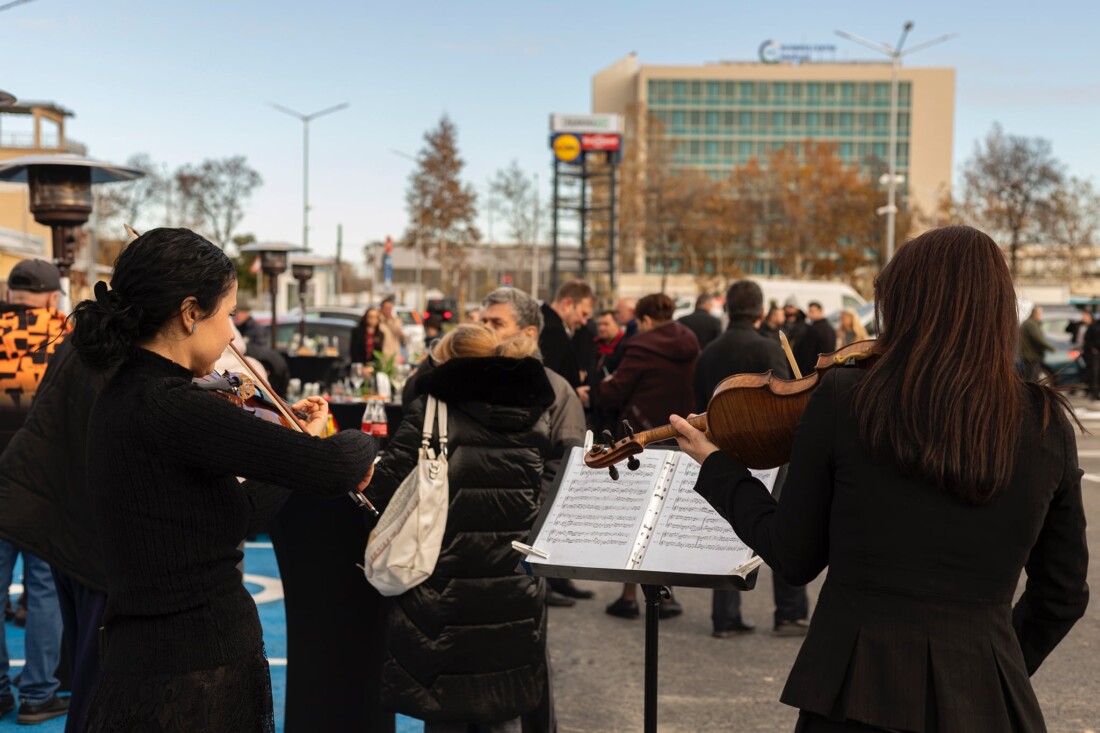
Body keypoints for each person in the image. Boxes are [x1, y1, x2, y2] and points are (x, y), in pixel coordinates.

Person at [671, 225, 1089, 732]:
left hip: (852, 692)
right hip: (986, 701)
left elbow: (793, 555)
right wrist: (995, 667)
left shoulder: (847, 397)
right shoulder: (1046, 424)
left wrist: (718, 468)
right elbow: (1063, 593)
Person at [69, 227, 378, 732]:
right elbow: (336, 468)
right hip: (192, 667)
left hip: (156, 655)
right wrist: (359, 442)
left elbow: (239, 511)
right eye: (227, 313)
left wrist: (301, 439)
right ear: (190, 312)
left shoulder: (129, 392)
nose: (233, 334)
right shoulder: (172, 404)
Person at [366, 324, 555, 733]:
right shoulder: (536, 412)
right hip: (513, 583)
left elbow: (386, 489)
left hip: (444, 585)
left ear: (448, 363)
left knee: (446, 713)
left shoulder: (434, 408)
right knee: (500, 707)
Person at [692, 280, 809, 639]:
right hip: (770, 452)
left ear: (727, 309)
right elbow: (786, 404)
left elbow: (699, 400)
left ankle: (725, 617)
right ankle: (789, 613)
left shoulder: (709, 351)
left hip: (721, 448)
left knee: (729, 527)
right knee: (784, 527)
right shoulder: (769, 348)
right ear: (760, 312)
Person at [481, 286, 590, 618]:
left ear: (528, 333)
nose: (485, 329)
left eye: (496, 323)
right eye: (483, 320)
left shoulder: (556, 389)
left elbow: (566, 463)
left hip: (521, 532)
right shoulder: (464, 379)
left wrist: (530, 516)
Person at [597, 293, 699, 620]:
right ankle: (666, 597)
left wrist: (596, 388)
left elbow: (616, 391)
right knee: (664, 517)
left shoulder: (641, 346)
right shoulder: (690, 342)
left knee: (635, 519)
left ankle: (629, 596)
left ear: (644, 320)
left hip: (639, 438)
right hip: (679, 434)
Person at [0, 259, 70, 724]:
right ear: (50, 295)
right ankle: (39, 693)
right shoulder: (66, 335)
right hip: (47, 482)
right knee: (44, 587)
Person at [538, 280, 594, 396]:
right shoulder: (552, 331)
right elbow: (548, 383)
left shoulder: (546, 323)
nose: (584, 322)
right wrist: (575, 393)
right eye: (583, 314)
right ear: (568, 304)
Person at [587, 310, 628, 438]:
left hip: (614, 412)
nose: (601, 328)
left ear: (617, 324)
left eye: (606, 324)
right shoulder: (596, 345)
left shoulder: (625, 347)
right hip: (597, 408)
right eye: (599, 324)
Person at [794, 301, 837, 376]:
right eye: (809, 311)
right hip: (827, 369)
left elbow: (807, 353)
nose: (809, 314)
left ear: (820, 311)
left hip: (813, 371)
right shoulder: (830, 328)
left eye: (812, 311)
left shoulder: (813, 329)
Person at [1019, 306, 1054, 383]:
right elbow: (1038, 339)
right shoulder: (1031, 324)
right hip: (1031, 355)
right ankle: (1029, 394)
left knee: (1029, 376)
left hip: (1029, 355)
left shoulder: (1028, 323)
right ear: (1035, 314)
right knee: (1032, 378)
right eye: (1040, 314)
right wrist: (1051, 348)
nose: (1040, 316)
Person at [377, 295, 406, 362]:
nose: (388, 310)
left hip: (395, 358)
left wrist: (400, 333)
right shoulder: (378, 321)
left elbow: (403, 341)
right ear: (381, 308)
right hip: (383, 358)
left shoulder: (396, 321)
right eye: (386, 308)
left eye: (390, 308)